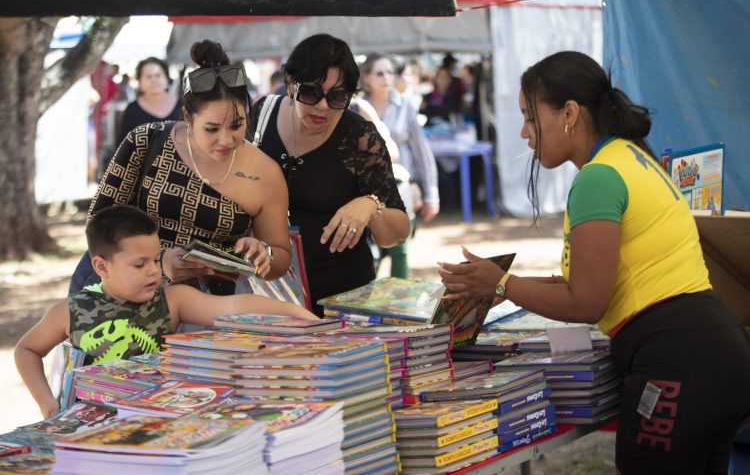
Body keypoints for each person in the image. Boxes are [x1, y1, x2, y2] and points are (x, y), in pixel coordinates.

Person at [439, 51, 750, 474]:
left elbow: (586, 302)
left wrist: (502, 285)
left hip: (677, 362)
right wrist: (494, 283)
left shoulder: (598, 177)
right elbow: (585, 277)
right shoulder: (631, 157)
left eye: (530, 118)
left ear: (569, 112)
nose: (524, 133)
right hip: (715, 353)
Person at [16, 205, 316, 419]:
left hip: (157, 425)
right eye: (139, 264)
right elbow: (27, 349)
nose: (153, 271)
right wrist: (47, 404)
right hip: (90, 432)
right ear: (101, 267)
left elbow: (236, 306)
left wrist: (294, 312)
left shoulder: (173, 300)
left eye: (156, 259)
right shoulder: (70, 311)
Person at [82, 40, 291, 295]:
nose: (226, 139)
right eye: (212, 129)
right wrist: (157, 262)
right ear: (189, 117)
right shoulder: (146, 140)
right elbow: (99, 223)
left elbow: (280, 257)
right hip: (132, 300)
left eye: (237, 125)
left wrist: (262, 253)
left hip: (212, 311)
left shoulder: (265, 173)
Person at [251, 34, 410, 315]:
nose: (323, 106)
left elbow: (396, 234)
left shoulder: (359, 136)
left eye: (338, 97)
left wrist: (371, 205)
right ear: (290, 84)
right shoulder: (261, 114)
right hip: (270, 295)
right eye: (311, 92)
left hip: (343, 298)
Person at [362, 53, 440, 278]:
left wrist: (430, 193)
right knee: (370, 253)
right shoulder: (357, 106)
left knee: (400, 250)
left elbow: (422, 151)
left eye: (390, 72)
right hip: (367, 190)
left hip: (402, 185)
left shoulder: (405, 105)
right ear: (366, 77)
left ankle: (400, 308)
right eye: (379, 72)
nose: (386, 77)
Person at [116, 57, 182, 148]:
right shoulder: (132, 110)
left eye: (158, 75)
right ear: (140, 81)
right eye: (148, 76)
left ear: (167, 78)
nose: (154, 80)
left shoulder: (184, 106)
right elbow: (122, 147)